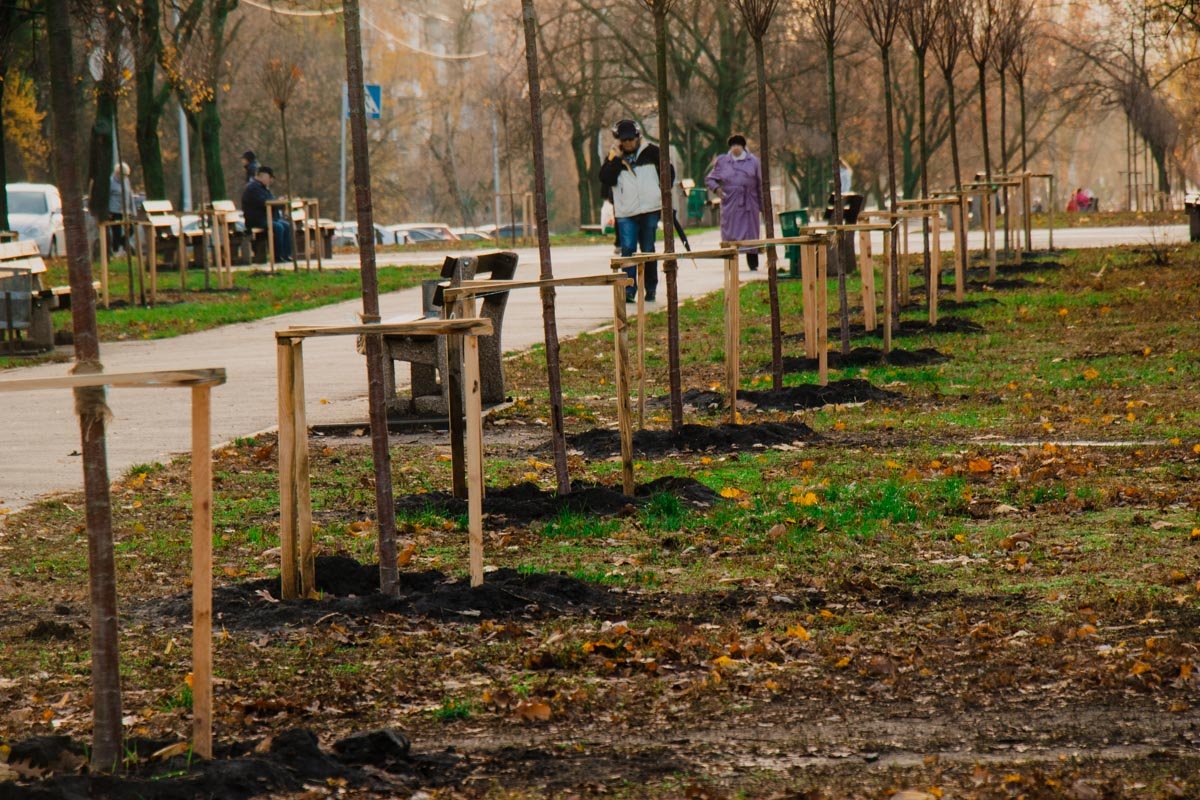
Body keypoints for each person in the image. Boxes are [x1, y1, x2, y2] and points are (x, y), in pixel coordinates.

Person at [599, 119, 670, 303]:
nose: (628, 143)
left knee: (648, 249)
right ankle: (629, 290)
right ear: (619, 140)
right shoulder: (614, 157)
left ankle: (651, 288)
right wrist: (613, 159)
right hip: (626, 212)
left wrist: (657, 192)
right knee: (628, 249)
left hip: (650, 209)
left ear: (638, 137)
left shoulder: (652, 152)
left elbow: (668, 172)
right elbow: (605, 178)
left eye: (631, 139)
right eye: (624, 140)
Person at [705, 134, 763, 271]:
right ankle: (731, 261)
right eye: (733, 145)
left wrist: (762, 205)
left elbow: (760, 184)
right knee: (730, 232)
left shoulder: (753, 161)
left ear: (743, 147)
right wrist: (718, 190)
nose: (735, 148)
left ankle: (753, 262)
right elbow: (710, 179)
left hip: (749, 201)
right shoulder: (723, 161)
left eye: (738, 145)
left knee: (751, 234)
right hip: (730, 201)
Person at [241, 165, 292, 261]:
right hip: (256, 219)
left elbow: (271, 202)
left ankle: (286, 254)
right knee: (278, 227)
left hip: (266, 218)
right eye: (269, 177)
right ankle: (277, 256)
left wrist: (279, 202)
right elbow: (264, 203)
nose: (271, 180)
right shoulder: (253, 188)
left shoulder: (262, 188)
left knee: (286, 225)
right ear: (262, 176)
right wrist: (277, 202)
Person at [107, 162, 134, 256]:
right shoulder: (110, 181)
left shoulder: (126, 181)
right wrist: (108, 211)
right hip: (114, 211)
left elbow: (130, 195)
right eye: (124, 175)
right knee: (116, 232)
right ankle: (115, 250)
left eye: (126, 175)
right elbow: (107, 197)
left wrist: (132, 210)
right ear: (117, 173)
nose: (125, 177)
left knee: (131, 230)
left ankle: (122, 243)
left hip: (125, 211)